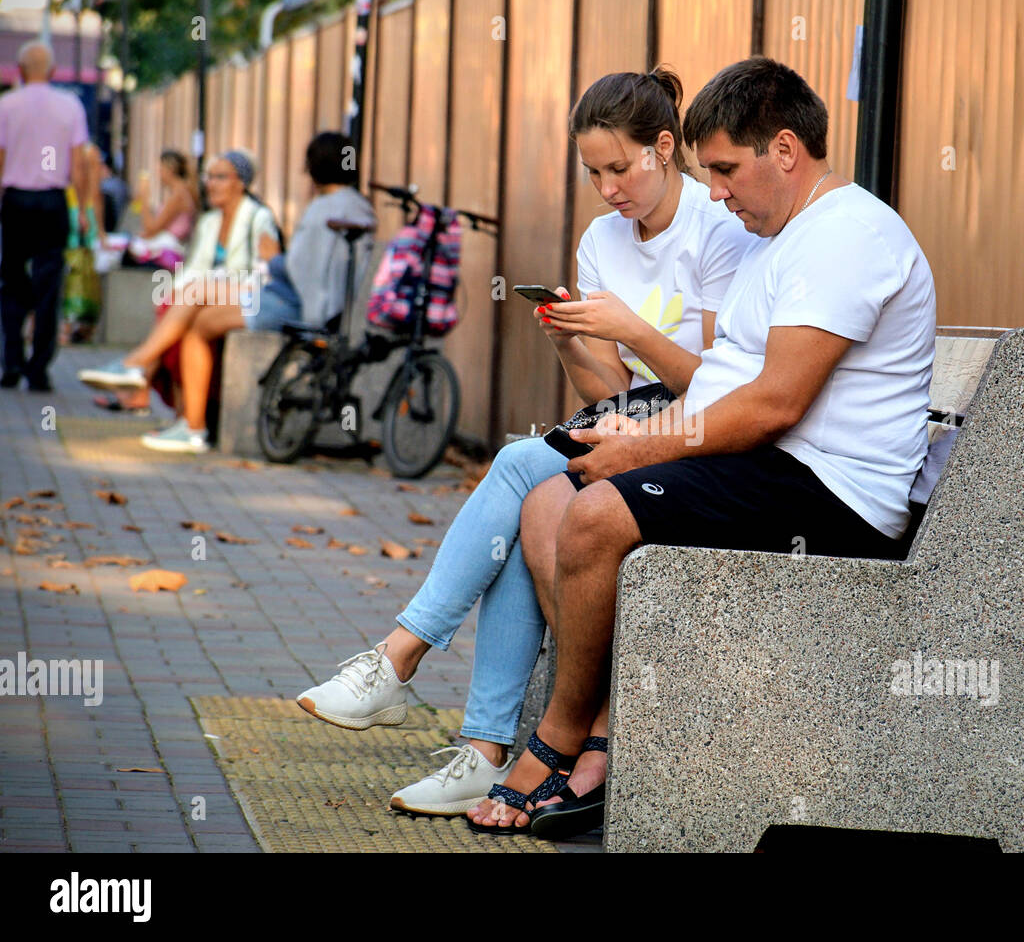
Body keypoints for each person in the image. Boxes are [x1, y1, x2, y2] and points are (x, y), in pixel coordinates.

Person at [467, 56, 938, 837]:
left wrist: (643, 450)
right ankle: (611, 735)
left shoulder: (846, 234)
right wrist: (638, 429)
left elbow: (775, 404)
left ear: (784, 150)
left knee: (592, 518)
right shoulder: (774, 240)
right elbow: (724, 384)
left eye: (724, 169)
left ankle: (557, 744)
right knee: (548, 499)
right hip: (772, 464)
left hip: (831, 492)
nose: (714, 192)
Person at [295, 67, 753, 827]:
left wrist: (632, 328)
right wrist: (571, 339)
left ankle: (401, 658)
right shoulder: (602, 239)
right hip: (629, 417)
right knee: (526, 506)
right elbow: (604, 389)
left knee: (513, 463)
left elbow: (710, 385)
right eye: (593, 172)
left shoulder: (716, 226)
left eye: (619, 168)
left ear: (665, 148)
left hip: (697, 431)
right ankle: (480, 752)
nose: (607, 189)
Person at [77, 149, 280, 451]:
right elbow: (194, 269)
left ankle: (138, 369)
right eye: (209, 177)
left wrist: (204, 288)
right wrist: (178, 296)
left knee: (191, 299)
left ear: (241, 182)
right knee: (177, 308)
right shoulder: (211, 221)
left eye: (221, 177)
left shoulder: (259, 217)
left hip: (253, 295)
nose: (211, 184)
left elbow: (266, 272)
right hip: (214, 295)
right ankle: (186, 421)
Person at [0, 40, 93, 393]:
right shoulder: (69, 106)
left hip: (17, 201)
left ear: (20, 72)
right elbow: (79, 162)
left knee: (10, 281)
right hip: (53, 202)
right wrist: (82, 208)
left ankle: (11, 362)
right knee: (48, 285)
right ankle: (38, 369)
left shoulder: (7, 105)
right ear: (53, 72)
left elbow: (0, 155)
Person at [252, 131, 376, 333]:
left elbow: (301, 271)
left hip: (304, 308)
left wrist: (273, 258)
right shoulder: (360, 205)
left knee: (206, 320)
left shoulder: (322, 209)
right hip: (345, 311)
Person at [124, 149, 199, 269]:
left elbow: (152, 228)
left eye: (160, 169)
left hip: (169, 248)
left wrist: (144, 199)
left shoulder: (178, 195)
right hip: (168, 243)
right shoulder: (181, 191)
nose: (158, 174)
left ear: (169, 170)